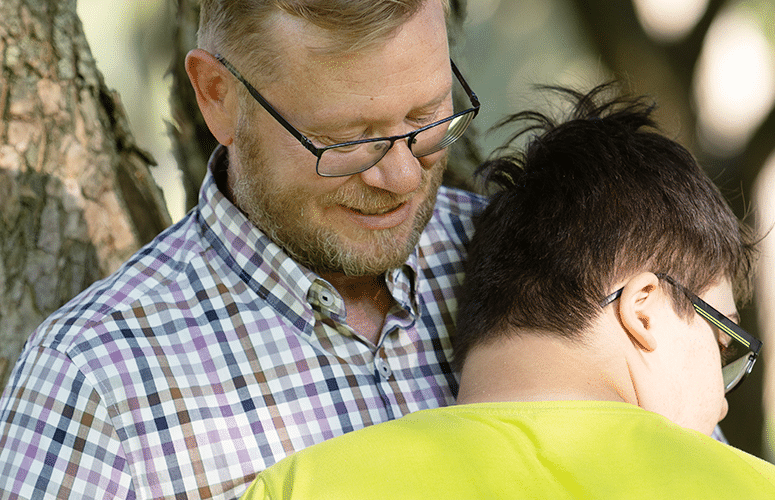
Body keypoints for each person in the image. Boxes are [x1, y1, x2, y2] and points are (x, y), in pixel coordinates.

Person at [0, 1, 487, 498]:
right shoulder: (94, 379)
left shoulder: (527, 255)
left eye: (425, 117)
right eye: (346, 139)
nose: (399, 177)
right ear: (218, 96)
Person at [239, 86, 775, 499]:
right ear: (644, 311)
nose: (723, 402)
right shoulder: (747, 488)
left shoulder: (303, 485)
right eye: (723, 340)